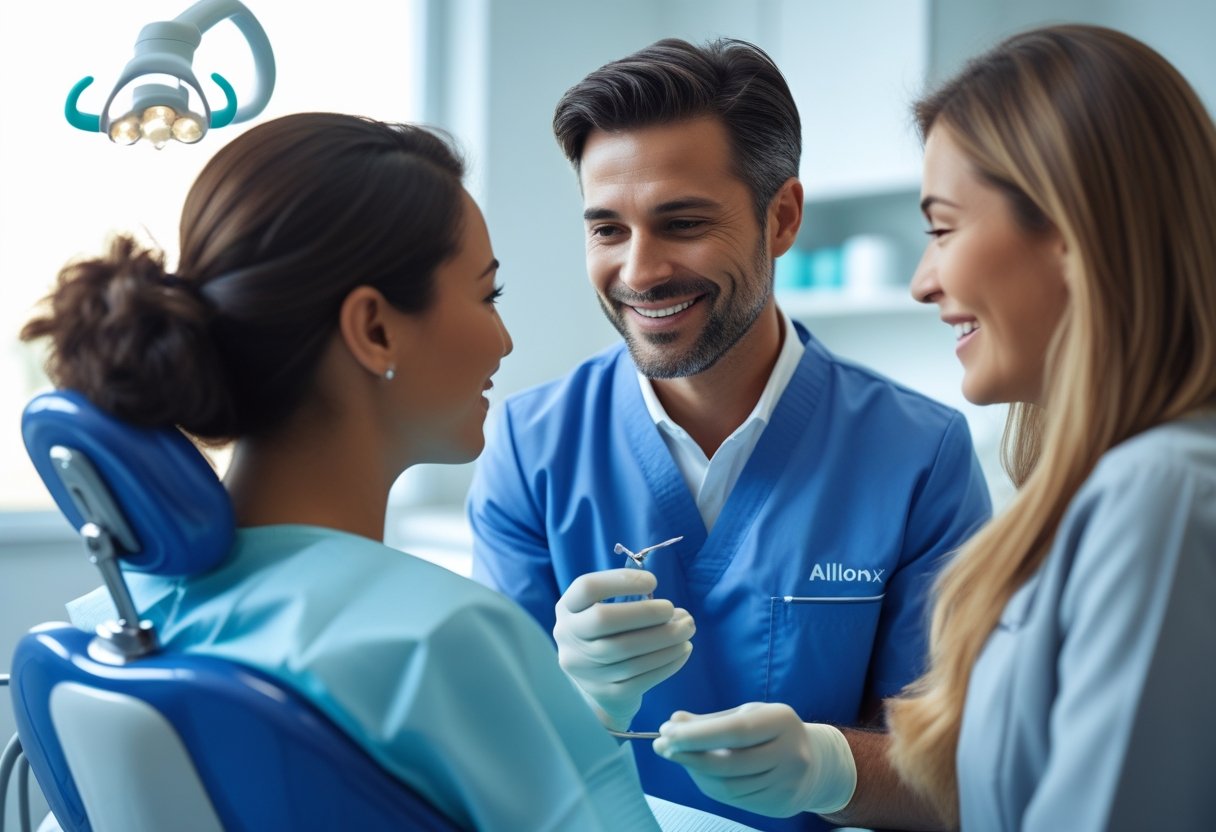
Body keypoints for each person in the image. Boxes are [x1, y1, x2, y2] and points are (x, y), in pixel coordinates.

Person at [21, 112, 760, 832]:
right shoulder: (441, 639)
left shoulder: (126, 617)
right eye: (486, 296)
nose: (503, 341)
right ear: (375, 330)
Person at [651, 24, 1216, 831]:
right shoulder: (1120, 492)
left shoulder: (1158, 495)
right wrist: (829, 767)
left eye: (943, 228)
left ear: (1073, 231)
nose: (923, 282)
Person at [466, 37, 993, 829]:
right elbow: (485, 767)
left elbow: (960, 777)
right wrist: (577, 701)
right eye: (608, 230)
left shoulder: (921, 456)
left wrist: (832, 769)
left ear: (781, 218)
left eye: (680, 222)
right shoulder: (528, 447)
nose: (639, 272)